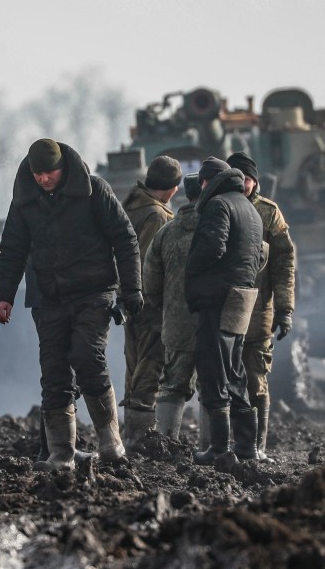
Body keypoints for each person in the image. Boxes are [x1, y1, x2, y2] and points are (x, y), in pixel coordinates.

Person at [0, 138, 142, 470]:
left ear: (64, 168)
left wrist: (131, 291)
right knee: (55, 372)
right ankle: (62, 454)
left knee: (87, 356)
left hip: (94, 292)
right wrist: (3, 297)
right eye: (38, 174)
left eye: (51, 172)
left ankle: (110, 441)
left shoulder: (95, 191)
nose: (44, 179)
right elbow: (13, 250)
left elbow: (125, 238)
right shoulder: (24, 202)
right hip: (49, 298)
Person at [185, 157, 264, 464]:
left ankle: (219, 448)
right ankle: (246, 447)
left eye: (202, 182)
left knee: (213, 371)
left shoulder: (219, 206)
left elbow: (211, 247)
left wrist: (191, 272)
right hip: (241, 298)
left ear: (209, 182)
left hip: (216, 299)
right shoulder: (250, 209)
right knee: (235, 372)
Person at [225, 152, 296, 461]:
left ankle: (258, 446)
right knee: (222, 381)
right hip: (223, 310)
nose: (244, 185)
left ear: (255, 181)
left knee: (256, 380)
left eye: (248, 179)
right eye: (237, 179)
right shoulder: (216, 208)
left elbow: (284, 264)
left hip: (258, 312)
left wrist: (285, 309)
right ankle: (226, 444)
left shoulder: (270, 214)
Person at [119, 155, 181, 447]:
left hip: (129, 299)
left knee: (134, 363)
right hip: (149, 302)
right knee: (151, 362)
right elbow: (149, 263)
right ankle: (139, 434)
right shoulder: (157, 216)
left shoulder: (130, 206)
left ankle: (130, 432)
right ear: (172, 188)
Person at [142, 173, 201, 440]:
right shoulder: (218, 227)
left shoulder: (166, 233)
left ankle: (166, 441)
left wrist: (166, 310)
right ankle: (211, 446)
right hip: (213, 322)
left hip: (176, 324)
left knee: (173, 384)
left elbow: (150, 282)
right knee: (213, 385)